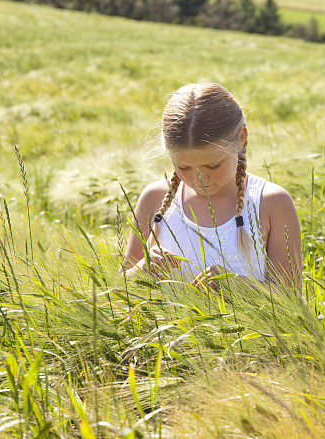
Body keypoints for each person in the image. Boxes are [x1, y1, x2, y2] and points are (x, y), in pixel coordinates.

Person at [120, 81, 301, 293]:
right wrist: (142, 271)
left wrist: (241, 289)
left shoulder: (270, 203)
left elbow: (292, 298)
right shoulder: (154, 198)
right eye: (184, 167)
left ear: (241, 138)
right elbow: (117, 291)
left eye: (213, 165)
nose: (199, 179)